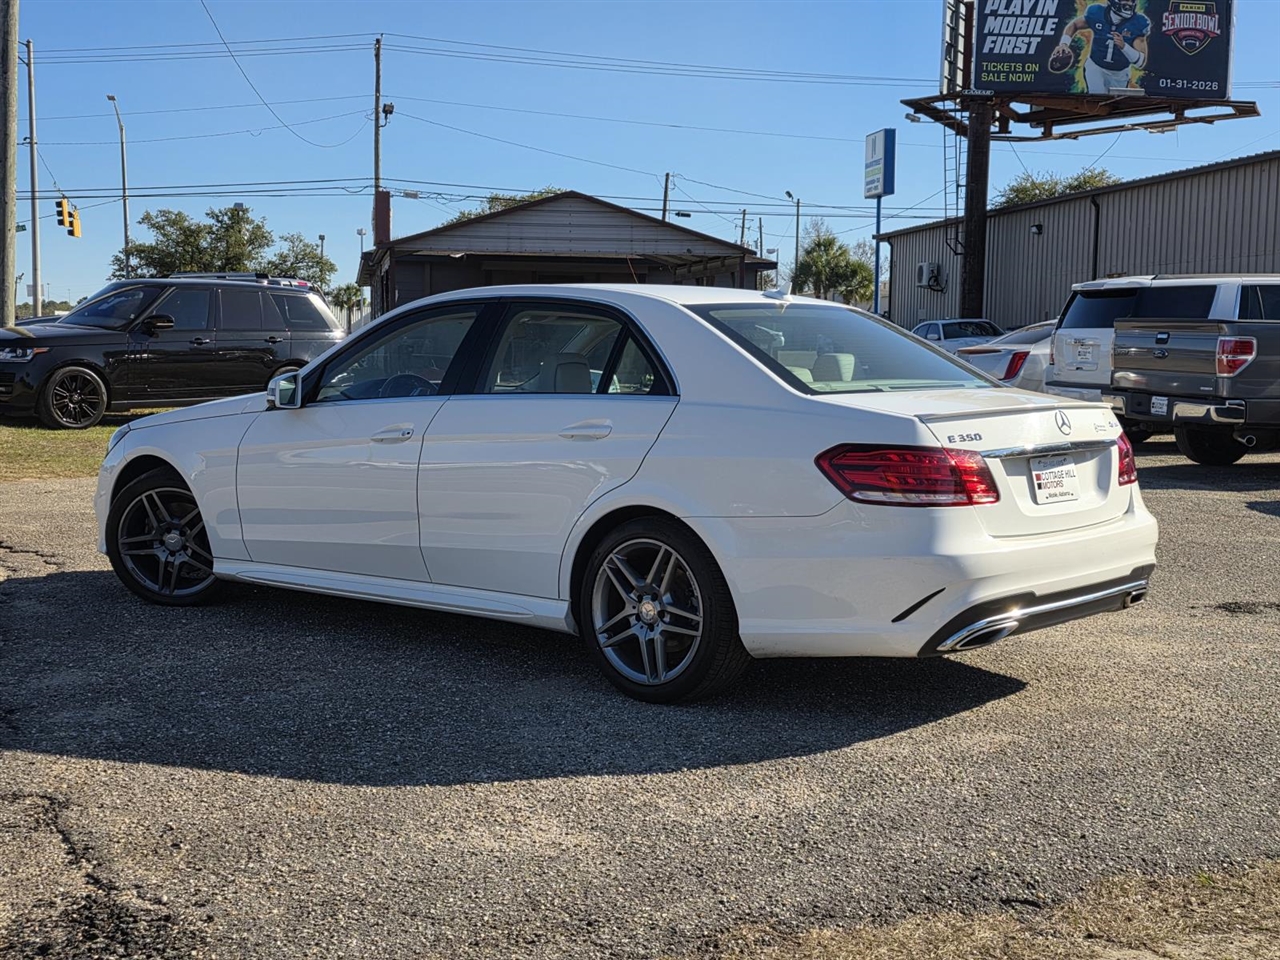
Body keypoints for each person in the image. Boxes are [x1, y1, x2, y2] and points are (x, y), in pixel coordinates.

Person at [1054, 0, 1152, 95]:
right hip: (1096, 67)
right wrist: (1064, 44)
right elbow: (1074, 24)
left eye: (1131, 1)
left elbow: (1140, 62)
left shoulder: (1139, 22)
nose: (1129, 4)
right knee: (1097, 95)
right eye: (1125, 0)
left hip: (1119, 74)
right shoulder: (1097, 12)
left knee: (1114, 104)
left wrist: (1124, 47)